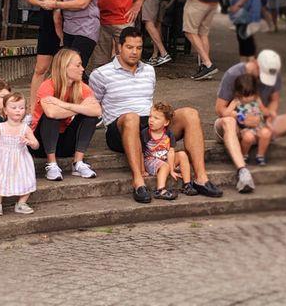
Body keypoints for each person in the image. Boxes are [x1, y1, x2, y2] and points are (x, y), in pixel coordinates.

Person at [89, 27, 223, 203]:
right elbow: (92, 106)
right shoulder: (100, 74)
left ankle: (201, 178)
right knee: (131, 117)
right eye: (129, 47)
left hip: (150, 128)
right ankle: (138, 181)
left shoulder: (149, 71)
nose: (135, 52)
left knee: (190, 113)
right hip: (120, 128)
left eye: (138, 47)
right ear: (119, 47)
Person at [214, 49, 286, 193]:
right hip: (234, 124)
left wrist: (270, 115)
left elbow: (274, 100)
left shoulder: (273, 73)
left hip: (259, 122)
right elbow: (220, 110)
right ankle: (242, 172)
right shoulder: (234, 74)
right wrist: (242, 118)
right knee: (228, 121)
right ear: (255, 63)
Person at [31, 48, 102, 181]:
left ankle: (78, 163)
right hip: (40, 144)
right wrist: (81, 107)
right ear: (65, 66)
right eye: (78, 65)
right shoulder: (47, 85)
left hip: (65, 143)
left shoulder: (81, 87)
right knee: (52, 117)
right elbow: (51, 112)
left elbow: (97, 111)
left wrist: (65, 105)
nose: (82, 69)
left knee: (90, 116)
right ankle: (51, 164)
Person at [27, 0, 76, 114]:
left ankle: (62, 109)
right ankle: (33, 110)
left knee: (65, 68)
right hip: (48, 20)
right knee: (41, 68)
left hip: (69, 19)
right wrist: (43, 3)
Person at [0, 92, 39, 216]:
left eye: (21, 108)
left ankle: (21, 203)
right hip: (2, 159)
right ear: (5, 110)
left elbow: (36, 144)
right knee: (0, 179)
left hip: (21, 159)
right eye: (14, 108)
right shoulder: (0, 127)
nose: (18, 111)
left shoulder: (25, 128)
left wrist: (30, 142)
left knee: (26, 179)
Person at [142, 102, 198, 200]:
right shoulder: (145, 133)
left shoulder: (168, 134)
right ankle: (160, 190)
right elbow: (140, 152)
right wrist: (141, 170)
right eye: (150, 116)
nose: (151, 120)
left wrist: (171, 169)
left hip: (164, 160)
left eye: (156, 118)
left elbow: (171, 151)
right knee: (164, 166)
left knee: (182, 155)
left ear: (166, 122)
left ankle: (187, 185)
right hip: (150, 161)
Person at [224, 74, 273, 167]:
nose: (247, 98)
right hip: (245, 128)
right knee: (248, 137)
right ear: (238, 93)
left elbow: (264, 110)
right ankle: (243, 155)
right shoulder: (236, 101)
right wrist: (237, 115)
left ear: (255, 93)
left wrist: (267, 114)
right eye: (244, 95)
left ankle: (260, 155)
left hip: (259, 126)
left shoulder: (257, 99)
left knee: (267, 133)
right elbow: (226, 113)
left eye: (250, 95)